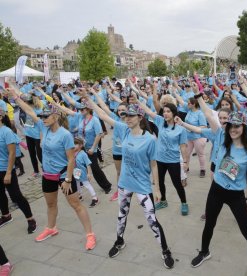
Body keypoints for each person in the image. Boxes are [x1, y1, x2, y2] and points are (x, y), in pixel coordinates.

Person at [9, 86, 96, 250]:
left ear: (55, 116)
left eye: (46, 116)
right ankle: (51, 228)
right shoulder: (43, 127)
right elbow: (29, 111)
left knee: (76, 205)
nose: (42, 119)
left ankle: (90, 234)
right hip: (48, 174)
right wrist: (16, 97)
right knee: (50, 204)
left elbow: (71, 160)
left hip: (64, 175)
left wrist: (69, 180)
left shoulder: (64, 135)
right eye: (42, 116)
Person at [189, 111, 247, 276]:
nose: (233, 129)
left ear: (244, 128)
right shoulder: (223, 141)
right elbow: (211, 118)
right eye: (231, 126)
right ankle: (204, 252)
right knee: (209, 223)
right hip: (216, 190)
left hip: (236, 194)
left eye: (237, 126)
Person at [103, 104, 175, 269]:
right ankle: (119, 241)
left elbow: (154, 165)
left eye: (131, 115)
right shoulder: (125, 130)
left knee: (152, 220)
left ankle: (165, 251)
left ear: (140, 118)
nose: (127, 118)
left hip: (142, 186)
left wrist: (157, 188)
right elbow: (104, 116)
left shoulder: (149, 139)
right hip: (124, 184)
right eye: (126, 115)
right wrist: (88, 98)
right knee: (121, 215)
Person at [136, 98, 189, 215]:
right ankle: (163, 200)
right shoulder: (160, 121)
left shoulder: (181, 129)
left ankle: (184, 203)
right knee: (159, 182)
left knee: (177, 183)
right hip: (159, 159)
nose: (165, 113)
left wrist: (185, 162)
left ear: (174, 113)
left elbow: (183, 147)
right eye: (164, 111)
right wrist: (137, 101)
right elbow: (149, 111)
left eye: (168, 111)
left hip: (173, 160)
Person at [0, 107, 37, 233]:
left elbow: (11, 154)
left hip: (6, 169)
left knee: (16, 196)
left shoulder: (6, 132)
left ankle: (30, 219)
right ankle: (6, 215)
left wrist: (9, 172)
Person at [73, 137, 98, 207]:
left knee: (86, 184)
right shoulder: (73, 152)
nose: (73, 145)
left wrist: (89, 173)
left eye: (76, 144)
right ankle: (79, 195)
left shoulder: (83, 154)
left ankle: (95, 198)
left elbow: (88, 164)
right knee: (77, 183)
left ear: (81, 145)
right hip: (76, 171)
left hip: (83, 172)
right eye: (73, 144)